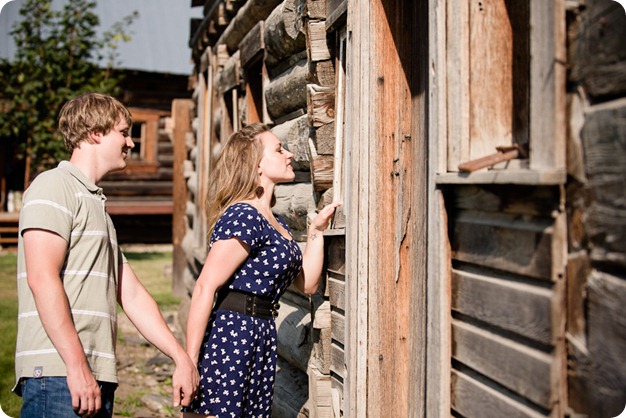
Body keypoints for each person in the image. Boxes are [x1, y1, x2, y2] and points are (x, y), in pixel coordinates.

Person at [14, 92, 199, 418]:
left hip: (93, 374)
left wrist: (180, 357)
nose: (130, 143)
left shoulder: (95, 204)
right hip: (60, 376)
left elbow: (132, 295)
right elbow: (42, 279)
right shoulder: (52, 186)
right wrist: (76, 366)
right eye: (124, 132)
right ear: (95, 133)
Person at [181, 123, 341, 417]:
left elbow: (306, 283)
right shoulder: (243, 215)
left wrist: (316, 232)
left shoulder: (274, 221)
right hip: (232, 333)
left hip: (261, 333)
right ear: (256, 165)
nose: (289, 154)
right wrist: (189, 362)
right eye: (279, 150)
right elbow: (205, 286)